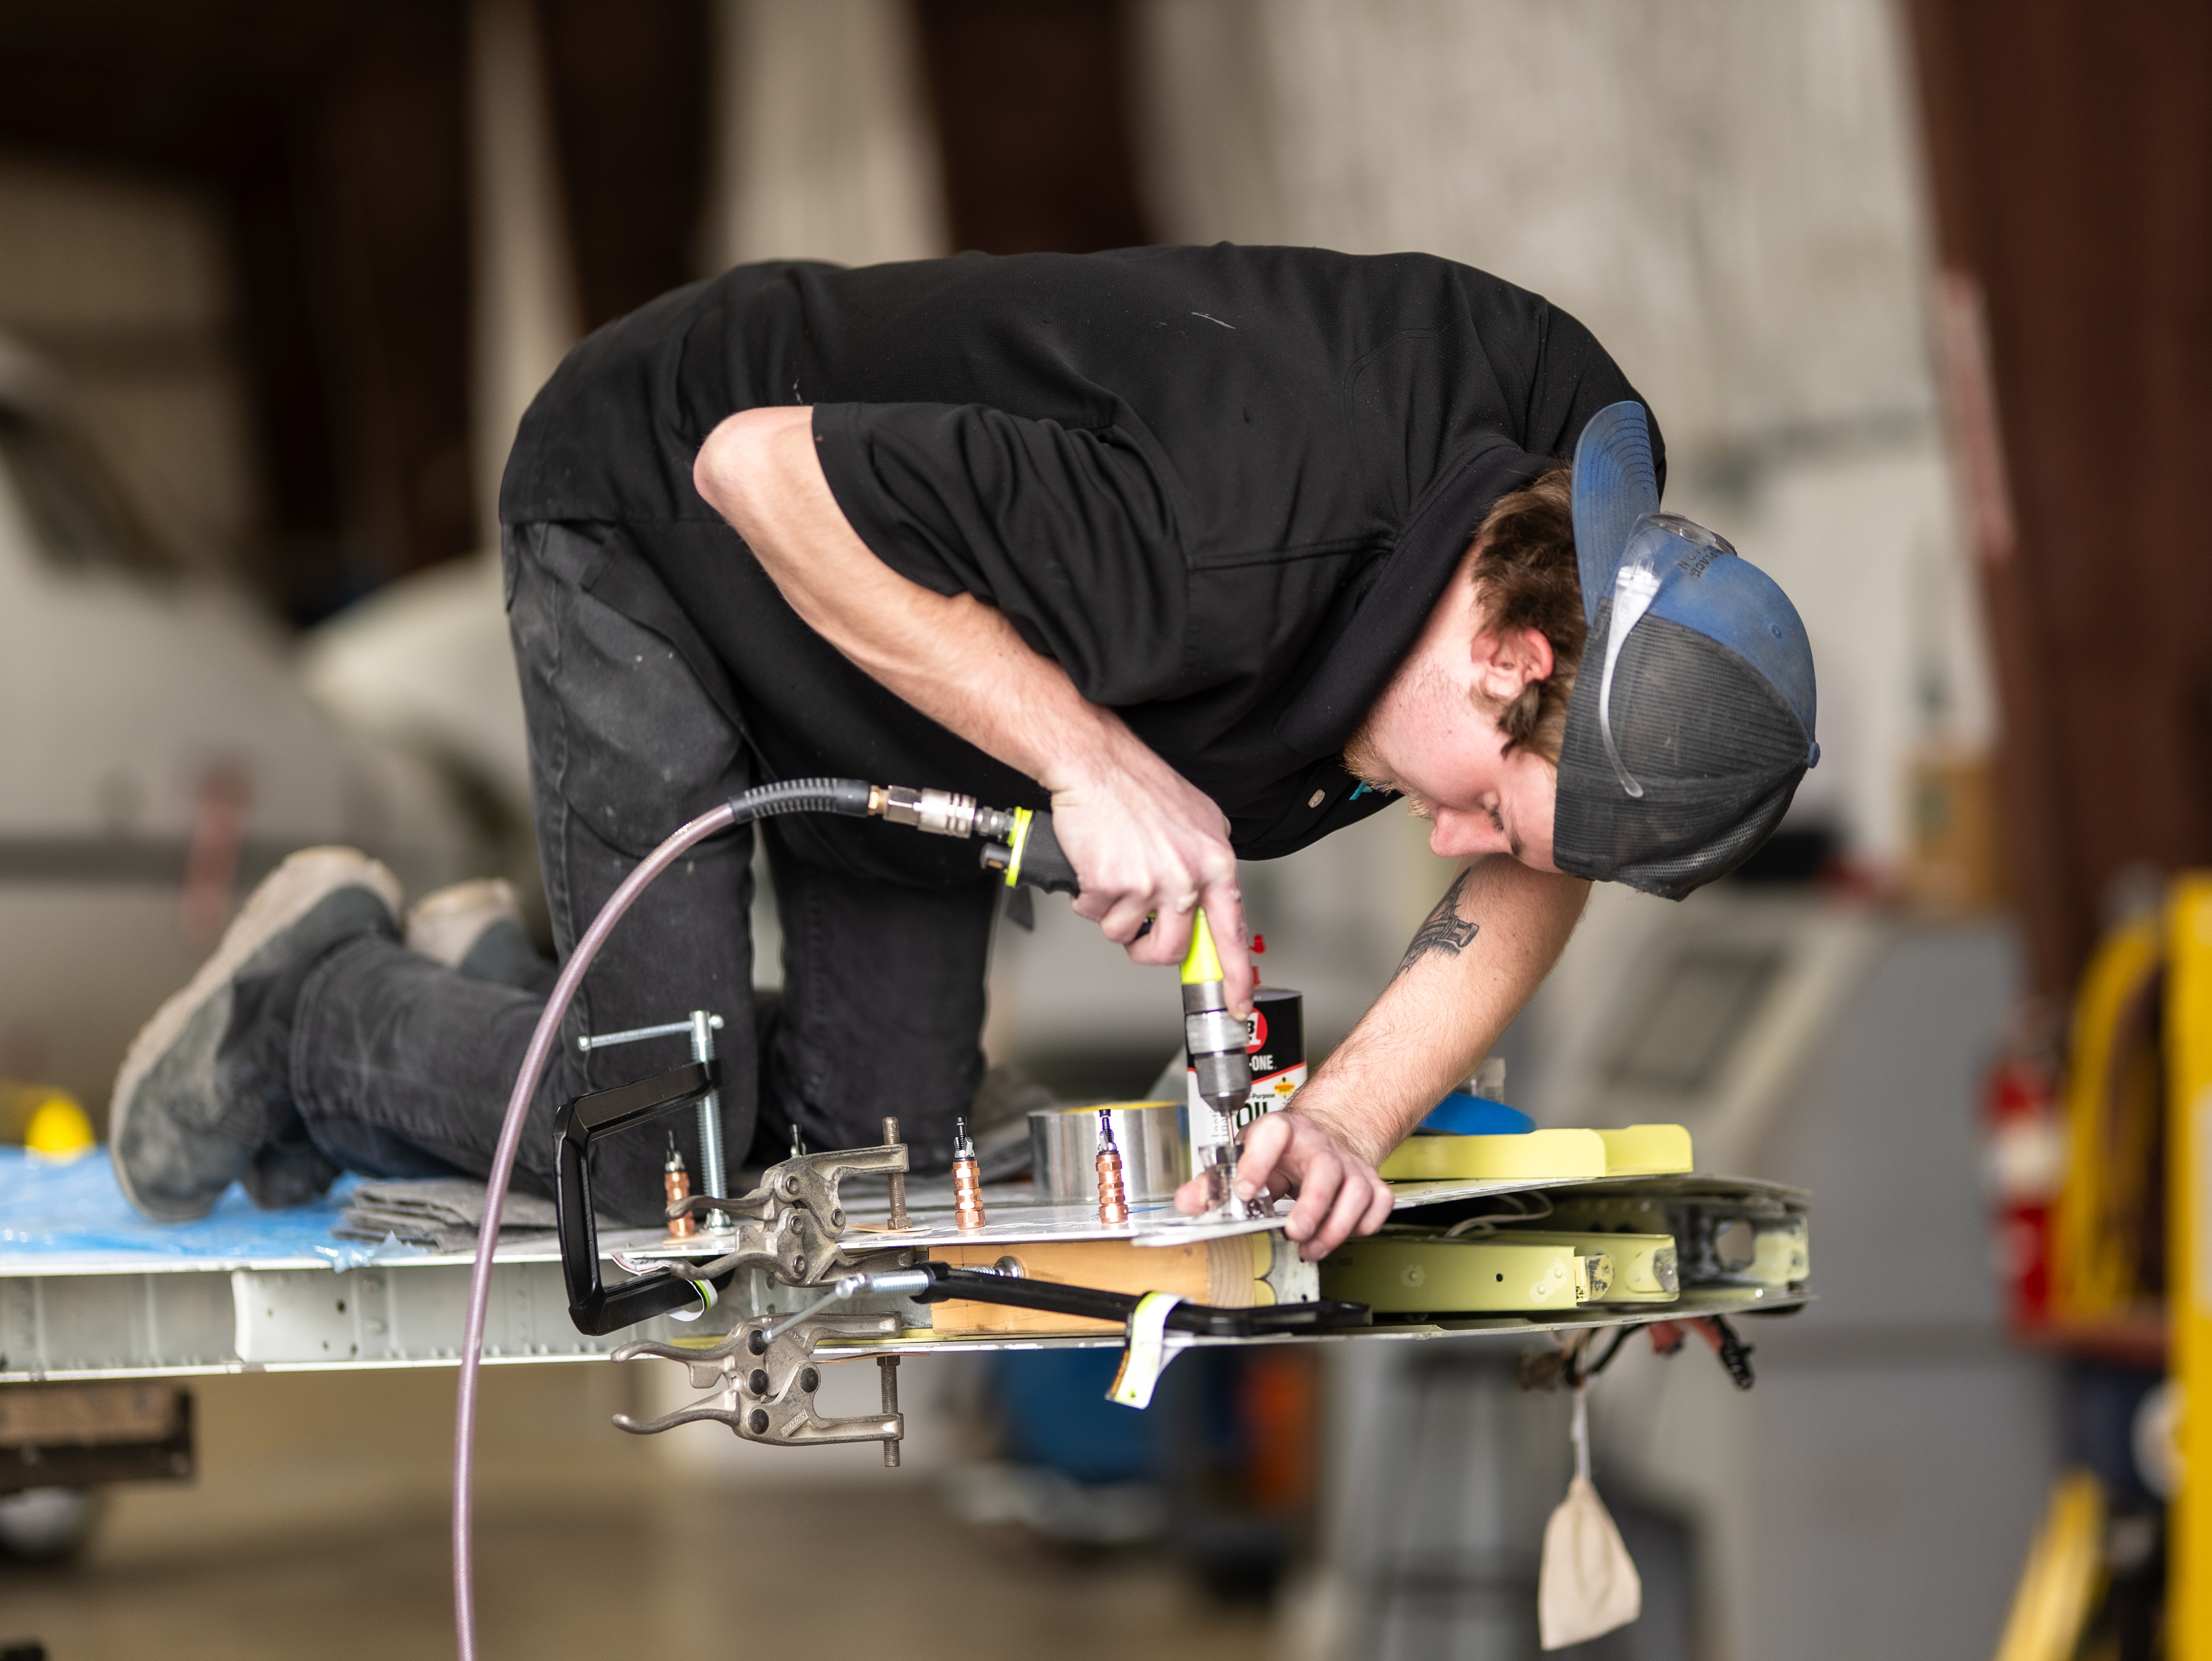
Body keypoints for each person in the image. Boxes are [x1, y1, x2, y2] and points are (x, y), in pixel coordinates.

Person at [107, 244, 1817, 1263]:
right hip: (668, 520)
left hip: (932, 659)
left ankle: (497, 983)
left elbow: (1544, 852)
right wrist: (1092, 761)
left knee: (883, 1173)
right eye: (1484, 802)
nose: (1455, 839)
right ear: (1515, 654)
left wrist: (1353, 1116)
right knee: (665, 1173)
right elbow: (760, 475)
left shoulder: (1588, 556)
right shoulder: (1208, 543)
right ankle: (314, 1005)